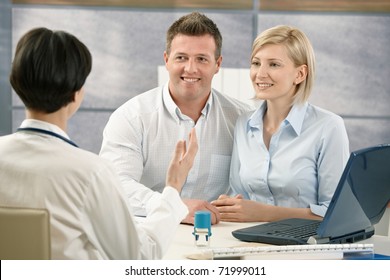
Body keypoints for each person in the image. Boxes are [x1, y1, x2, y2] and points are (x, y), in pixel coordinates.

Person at [0, 27, 198, 259]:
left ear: (16, 84)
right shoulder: (90, 172)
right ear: (77, 93)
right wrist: (172, 189)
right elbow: (140, 257)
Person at [99, 11, 253, 225]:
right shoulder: (132, 117)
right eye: (181, 57)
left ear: (217, 64)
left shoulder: (242, 119)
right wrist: (172, 205)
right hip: (149, 238)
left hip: (219, 238)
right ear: (167, 60)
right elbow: (114, 186)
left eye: (201, 59)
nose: (190, 68)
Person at [211, 25, 350, 222]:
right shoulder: (243, 124)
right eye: (256, 63)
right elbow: (238, 195)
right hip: (248, 242)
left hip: (306, 248)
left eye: (274, 64)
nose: (260, 73)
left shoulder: (328, 127)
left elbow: (336, 213)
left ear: (300, 74)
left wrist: (264, 214)